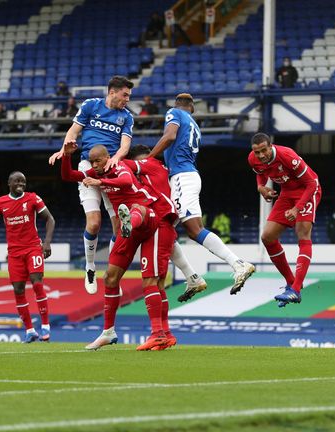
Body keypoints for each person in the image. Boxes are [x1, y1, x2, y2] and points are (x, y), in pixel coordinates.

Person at [61, 142, 178, 351]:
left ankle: (159, 334)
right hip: (130, 227)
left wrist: (98, 182)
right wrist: (67, 157)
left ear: (107, 157)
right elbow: (68, 176)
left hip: (148, 216)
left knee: (150, 278)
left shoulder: (119, 166)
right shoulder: (94, 170)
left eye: (98, 160)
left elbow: (124, 181)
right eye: (92, 161)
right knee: (110, 278)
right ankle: (108, 332)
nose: (95, 165)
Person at [147, 93, 255, 294]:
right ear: (193, 108)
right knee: (165, 227)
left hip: (181, 177)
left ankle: (237, 263)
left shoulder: (174, 113)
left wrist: (148, 159)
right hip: (188, 176)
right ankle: (193, 277)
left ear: (176, 106)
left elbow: (169, 136)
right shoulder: (194, 124)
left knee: (194, 229)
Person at [48, 76, 135, 295]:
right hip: (88, 164)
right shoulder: (90, 105)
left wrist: (116, 158)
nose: (127, 99)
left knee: (119, 228)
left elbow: (125, 145)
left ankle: (113, 273)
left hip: (111, 168)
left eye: (129, 96)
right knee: (94, 224)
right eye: (125, 95)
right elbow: (73, 132)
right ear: (112, 92)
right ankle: (90, 267)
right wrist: (63, 150)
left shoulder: (126, 117)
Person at [124, 144, 207, 303]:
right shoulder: (160, 165)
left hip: (161, 212)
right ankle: (192, 276)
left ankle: (159, 328)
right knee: (170, 244)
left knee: (155, 281)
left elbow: (120, 164)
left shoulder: (147, 164)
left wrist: (109, 158)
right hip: (168, 211)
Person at [248, 133, 321, 306]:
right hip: (287, 193)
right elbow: (260, 173)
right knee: (267, 237)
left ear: (270, 146)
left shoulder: (287, 156)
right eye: (257, 152)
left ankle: (295, 290)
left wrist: (297, 209)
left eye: (264, 150)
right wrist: (261, 187)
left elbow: (311, 184)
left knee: (302, 233)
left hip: (307, 191)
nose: (261, 155)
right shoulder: (253, 159)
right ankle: (291, 281)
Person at [0, 171, 56, 343]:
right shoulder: (0, 202)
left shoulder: (33, 198)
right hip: (14, 253)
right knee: (18, 290)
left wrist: (46, 243)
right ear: (9, 183)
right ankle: (30, 330)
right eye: (17, 181)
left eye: (23, 182)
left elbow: (50, 219)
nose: (21, 184)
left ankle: (45, 325)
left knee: (37, 282)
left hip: (33, 248)